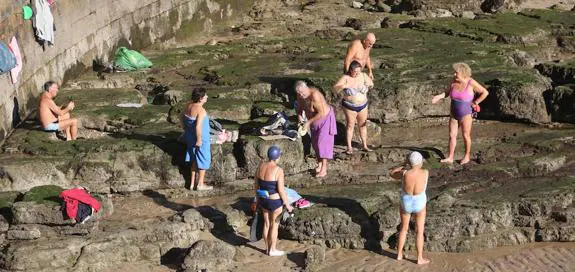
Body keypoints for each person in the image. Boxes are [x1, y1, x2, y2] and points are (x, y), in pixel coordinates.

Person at [431, 63, 489, 165]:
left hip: (466, 114)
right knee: (452, 135)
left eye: (456, 72)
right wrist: (438, 97)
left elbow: (485, 92)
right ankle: (450, 157)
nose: (454, 74)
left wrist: (475, 102)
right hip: (454, 113)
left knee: (466, 135)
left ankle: (466, 156)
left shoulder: (471, 82)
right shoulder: (453, 82)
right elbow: (447, 93)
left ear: (463, 73)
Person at [389, 151, 430, 265]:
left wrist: (403, 164)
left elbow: (392, 173)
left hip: (406, 202)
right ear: (420, 162)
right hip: (419, 202)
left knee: (404, 229)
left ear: (410, 162)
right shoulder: (425, 172)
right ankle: (419, 258)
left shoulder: (405, 173)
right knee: (419, 231)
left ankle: (399, 254)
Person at [254, 145, 294, 256]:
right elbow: (281, 191)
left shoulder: (260, 166)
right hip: (275, 202)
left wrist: (257, 201)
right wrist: (288, 205)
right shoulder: (278, 170)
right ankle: (273, 249)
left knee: (266, 224)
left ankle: (267, 248)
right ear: (277, 157)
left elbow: (256, 186)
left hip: (263, 200)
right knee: (274, 225)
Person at [295, 81, 337, 178]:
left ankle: (324, 169)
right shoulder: (300, 96)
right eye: (299, 93)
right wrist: (300, 118)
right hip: (314, 121)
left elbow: (321, 113)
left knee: (322, 144)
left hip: (325, 118)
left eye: (302, 92)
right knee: (315, 143)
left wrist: (308, 122)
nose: (301, 95)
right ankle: (319, 164)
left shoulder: (315, 95)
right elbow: (300, 109)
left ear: (306, 88)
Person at [333, 60, 374, 154]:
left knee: (363, 125)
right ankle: (349, 147)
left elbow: (371, 84)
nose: (357, 73)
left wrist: (368, 86)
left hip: (363, 105)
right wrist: (344, 86)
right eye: (355, 72)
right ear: (350, 70)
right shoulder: (345, 77)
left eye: (358, 71)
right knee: (350, 125)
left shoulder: (363, 75)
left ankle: (364, 145)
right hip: (350, 106)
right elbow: (335, 88)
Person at [182, 88, 213, 191]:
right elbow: (198, 127)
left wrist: (185, 128)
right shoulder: (201, 110)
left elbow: (181, 116)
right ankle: (200, 184)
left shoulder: (188, 105)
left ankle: (192, 184)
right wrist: (199, 140)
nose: (207, 97)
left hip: (190, 136)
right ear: (200, 98)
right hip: (201, 138)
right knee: (203, 159)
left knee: (194, 159)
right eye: (205, 96)